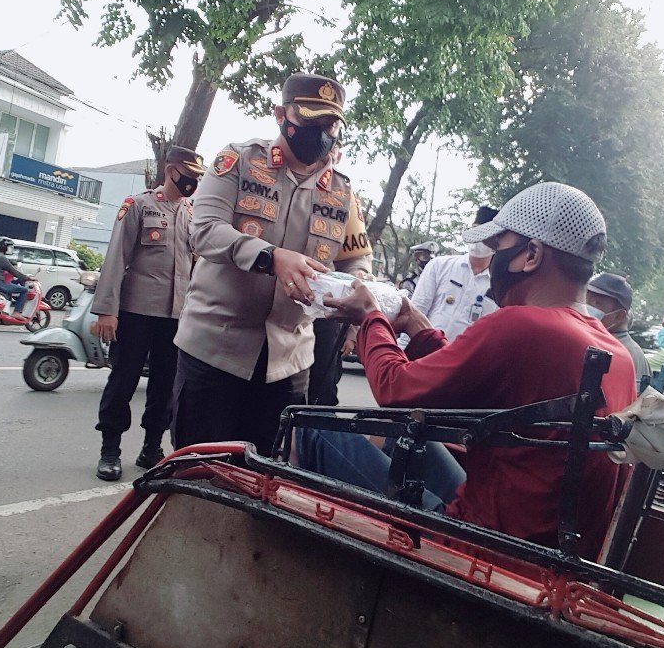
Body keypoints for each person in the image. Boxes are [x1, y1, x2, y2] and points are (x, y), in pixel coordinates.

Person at [298, 182, 637, 558]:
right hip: (539, 545)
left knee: (312, 429)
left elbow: (396, 390)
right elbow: (463, 375)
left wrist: (370, 318)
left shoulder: (523, 325)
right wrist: (414, 324)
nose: (493, 260)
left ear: (532, 255)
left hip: (480, 545)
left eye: (498, 247)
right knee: (410, 440)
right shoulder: (614, 352)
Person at [171, 72, 373, 454]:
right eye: (310, 120)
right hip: (215, 351)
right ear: (281, 115)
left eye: (329, 123)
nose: (321, 132)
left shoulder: (342, 191)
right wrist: (270, 256)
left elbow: (357, 257)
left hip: (288, 361)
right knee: (200, 472)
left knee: (266, 477)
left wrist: (355, 284)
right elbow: (204, 230)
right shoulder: (240, 161)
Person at [90, 146, 205, 481]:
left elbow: (198, 266)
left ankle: (151, 448)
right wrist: (106, 311)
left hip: (176, 317)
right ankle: (110, 449)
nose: (193, 182)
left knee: (166, 386)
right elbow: (116, 258)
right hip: (136, 312)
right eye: (189, 175)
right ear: (171, 171)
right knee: (123, 380)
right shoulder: (139, 205)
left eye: (198, 177)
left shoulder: (193, 214)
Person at [409, 206, 499, 342]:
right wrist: (402, 350)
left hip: (463, 361)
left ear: (497, 241)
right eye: (475, 231)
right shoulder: (440, 266)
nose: (478, 239)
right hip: (424, 353)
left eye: (485, 235)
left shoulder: (499, 286)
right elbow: (416, 312)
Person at [585, 272, 651, 392]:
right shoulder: (600, 341)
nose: (586, 308)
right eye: (586, 301)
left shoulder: (619, 352)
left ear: (619, 316)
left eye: (597, 303)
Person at [0, 237, 29, 314]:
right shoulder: (1, 257)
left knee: (12, 286)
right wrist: (27, 278)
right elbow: (14, 272)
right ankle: (17, 313)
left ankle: (5, 310)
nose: (10, 249)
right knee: (24, 290)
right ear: (3, 247)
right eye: (9, 247)